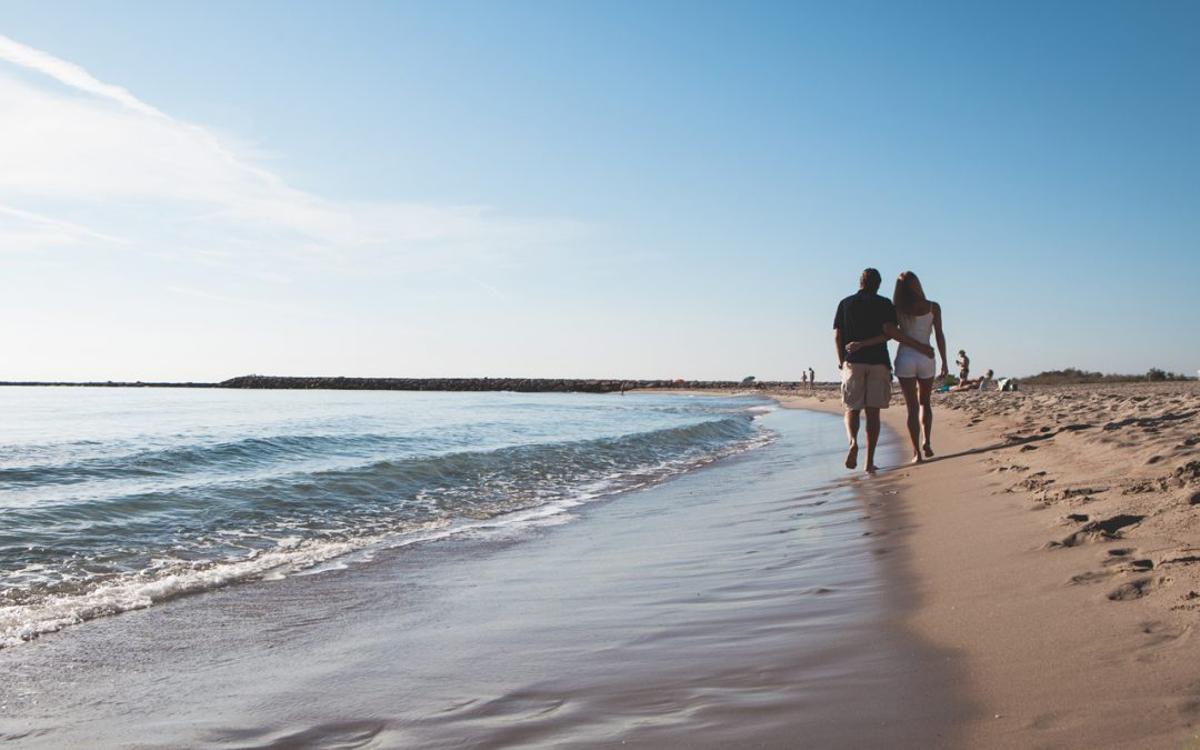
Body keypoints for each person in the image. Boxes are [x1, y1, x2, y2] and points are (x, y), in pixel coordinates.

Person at [833, 268, 934, 473]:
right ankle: (869, 462)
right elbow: (889, 333)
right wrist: (866, 343)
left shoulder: (845, 303)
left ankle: (852, 442)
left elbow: (837, 335)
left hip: (853, 362)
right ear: (878, 284)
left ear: (860, 282)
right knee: (873, 413)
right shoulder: (885, 303)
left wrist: (842, 360)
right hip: (878, 362)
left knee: (852, 408)